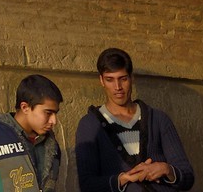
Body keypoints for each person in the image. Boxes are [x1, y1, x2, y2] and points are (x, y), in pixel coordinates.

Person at [73, 48, 194, 191]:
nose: (117, 87)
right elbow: (87, 185)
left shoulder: (158, 120)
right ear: (101, 80)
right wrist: (123, 179)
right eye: (110, 80)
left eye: (123, 79)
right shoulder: (90, 125)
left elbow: (187, 176)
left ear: (132, 78)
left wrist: (166, 169)